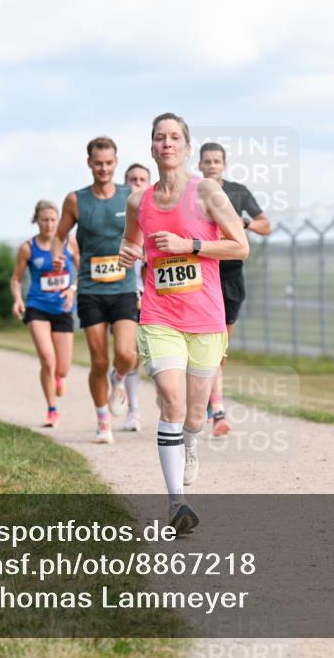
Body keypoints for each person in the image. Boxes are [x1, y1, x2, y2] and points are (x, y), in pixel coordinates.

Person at [118, 112, 249, 534]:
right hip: (159, 315)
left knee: (193, 413)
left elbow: (240, 246)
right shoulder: (139, 201)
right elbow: (131, 242)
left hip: (206, 317)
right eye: (160, 138)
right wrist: (128, 254)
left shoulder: (207, 191)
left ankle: (190, 441)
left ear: (187, 147)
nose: (167, 144)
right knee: (170, 399)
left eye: (175, 137)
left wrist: (189, 245)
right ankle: (177, 503)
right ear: (152, 147)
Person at [52, 137, 138, 444]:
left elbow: (147, 230)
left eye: (109, 163)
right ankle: (103, 420)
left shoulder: (131, 196)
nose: (104, 168)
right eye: (98, 163)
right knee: (99, 360)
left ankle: (120, 379)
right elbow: (59, 236)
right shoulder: (75, 200)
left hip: (125, 287)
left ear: (116, 163)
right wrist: (59, 255)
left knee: (127, 355)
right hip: (90, 289)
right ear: (89, 162)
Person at [198, 142, 272, 436]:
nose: (212, 165)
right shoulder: (194, 192)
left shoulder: (238, 192)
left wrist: (245, 223)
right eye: (207, 161)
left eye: (217, 161)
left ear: (224, 165)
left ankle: (208, 396)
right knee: (210, 345)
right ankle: (217, 407)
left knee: (220, 350)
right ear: (200, 165)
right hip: (203, 275)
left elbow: (267, 225)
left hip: (230, 277)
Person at [11, 200, 79, 429]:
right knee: (47, 360)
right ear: (37, 221)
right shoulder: (28, 248)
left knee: (62, 368)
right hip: (37, 307)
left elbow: (84, 270)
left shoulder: (70, 243)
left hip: (63, 308)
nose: (49, 224)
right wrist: (18, 299)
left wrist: (72, 289)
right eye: (44, 220)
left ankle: (59, 377)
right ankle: (52, 410)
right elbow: (16, 279)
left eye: (53, 220)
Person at [120, 162, 155, 432]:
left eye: (142, 179)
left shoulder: (159, 212)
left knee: (148, 355)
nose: (137, 183)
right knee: (130, 353)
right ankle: (133, 410)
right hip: (125, 292)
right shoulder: (121, 216)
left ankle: (118, 374)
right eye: (132, 179)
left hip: (155, 293)